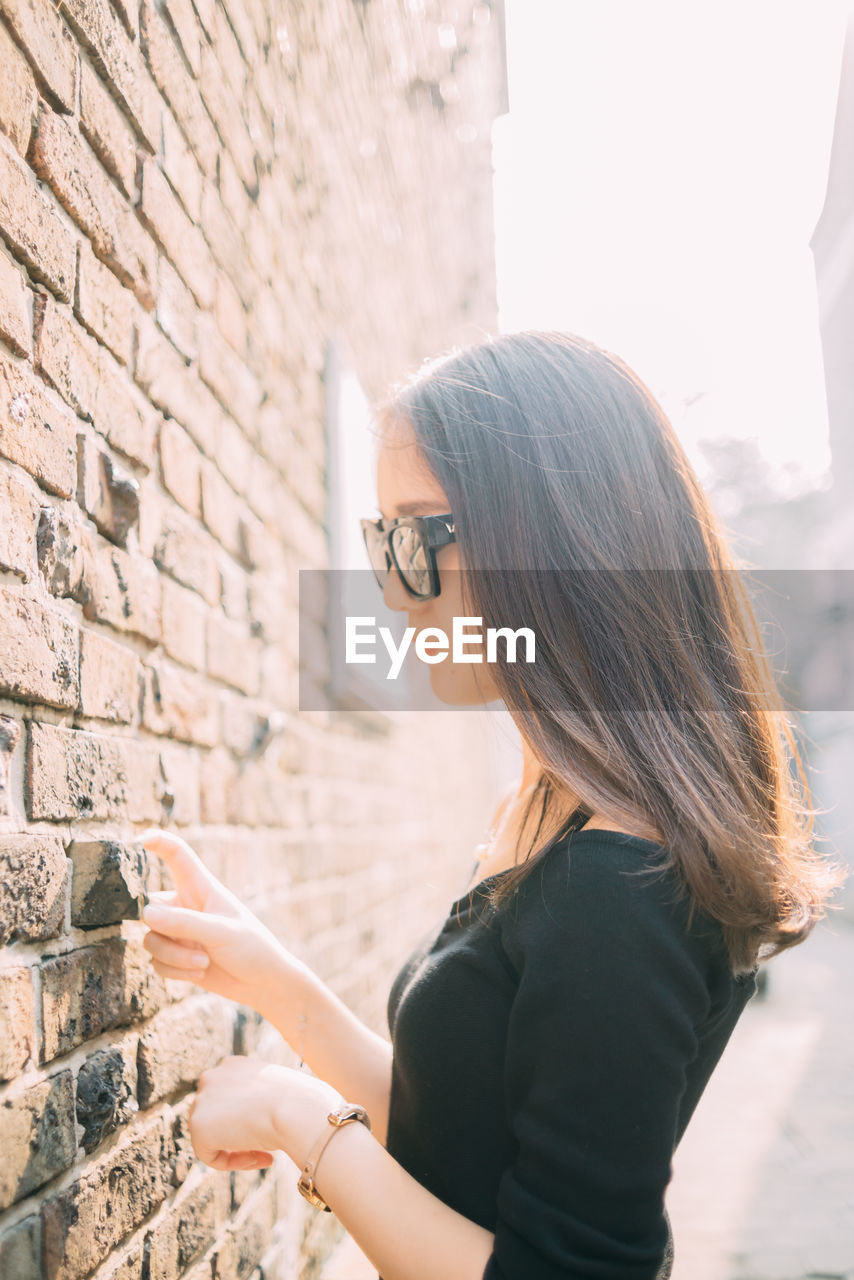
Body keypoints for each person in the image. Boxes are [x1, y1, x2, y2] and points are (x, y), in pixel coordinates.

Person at [137, 331, 847, 1280]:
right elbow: (465, 1144)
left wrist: (296, 1119)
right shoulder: (555, 814)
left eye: (418, 537)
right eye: (378, 543)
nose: (393, 593)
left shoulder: (617, 883)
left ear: (554, 544)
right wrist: (271, 980)